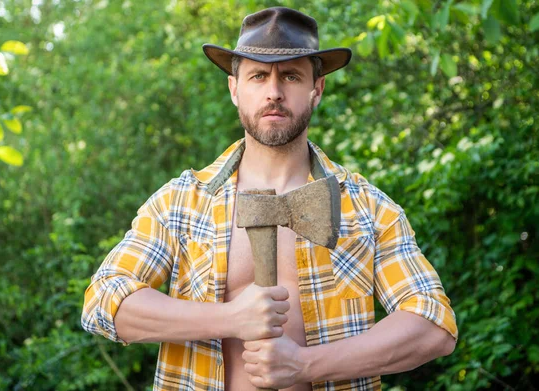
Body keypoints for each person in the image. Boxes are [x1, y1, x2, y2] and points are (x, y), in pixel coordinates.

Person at [82, 7, 458, 391]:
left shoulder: (368, 209)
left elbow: (433, 323)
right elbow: (104, 299)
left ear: (318, 89)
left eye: (291, 76)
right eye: (258, 76)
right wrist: (229, 318)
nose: (274, 92)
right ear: (234, 89)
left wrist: (306, 365)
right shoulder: (181, 202)